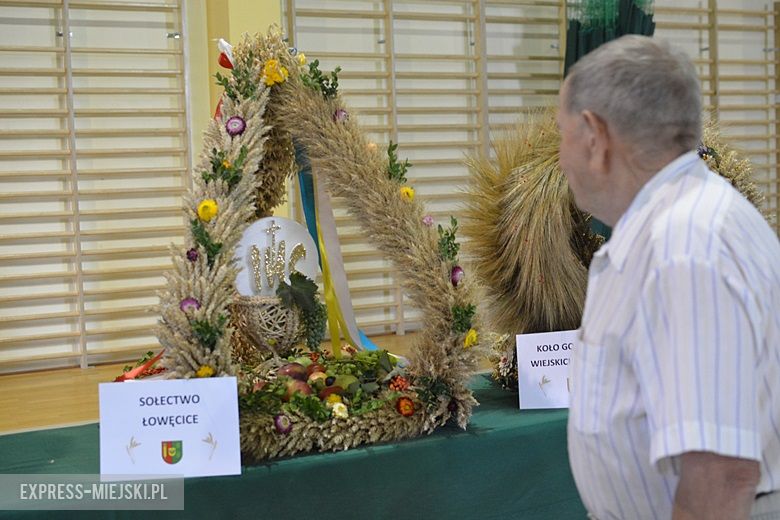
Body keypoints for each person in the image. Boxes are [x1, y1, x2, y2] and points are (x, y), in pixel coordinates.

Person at [558, 35, 780, 519]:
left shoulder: (686, 247)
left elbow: (720, 475)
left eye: (563, 135)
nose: (561, 158)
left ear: (595, 137)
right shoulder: (677, 226)